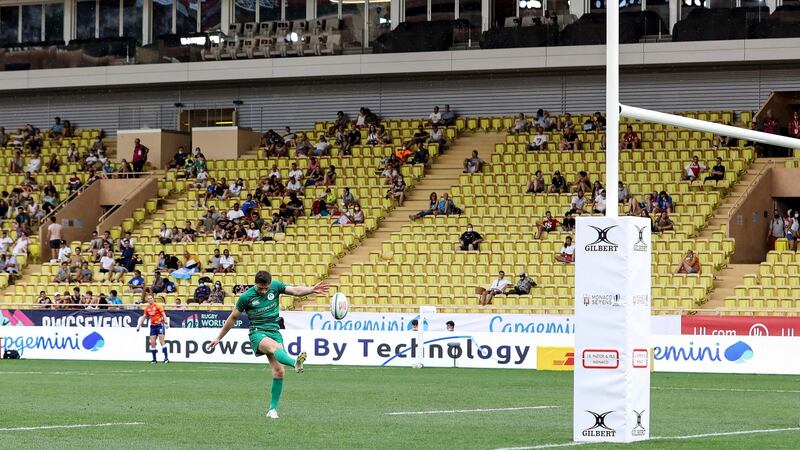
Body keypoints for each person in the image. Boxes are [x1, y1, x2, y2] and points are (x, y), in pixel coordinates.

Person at [210, 271, 329, 419]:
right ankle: (295, 363)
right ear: (255, 284)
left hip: (274, 332)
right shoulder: (246, 297)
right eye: (260, 288)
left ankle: (272, 410)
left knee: (279, 371)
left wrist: (311, 289)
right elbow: (233, 318)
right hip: (257, 332)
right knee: (275, 348)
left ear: (270, 284)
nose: (263, 291)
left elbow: (295, 291)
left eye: (266, 288)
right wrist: (218, 338)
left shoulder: (276, 286)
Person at [136, 294, 169, 364]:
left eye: (151, 298)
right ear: (147, 300)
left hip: (160, 325)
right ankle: (154, 359)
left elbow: (163, 314)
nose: (150, 300)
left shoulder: (158, 306)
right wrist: (139, 325)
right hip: (153, 326)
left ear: (153, 299)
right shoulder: (147, 308)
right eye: (148, 299)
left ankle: (166, 358)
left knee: (161, 341)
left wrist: (166, 322)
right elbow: (144, 316)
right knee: (152, 343)